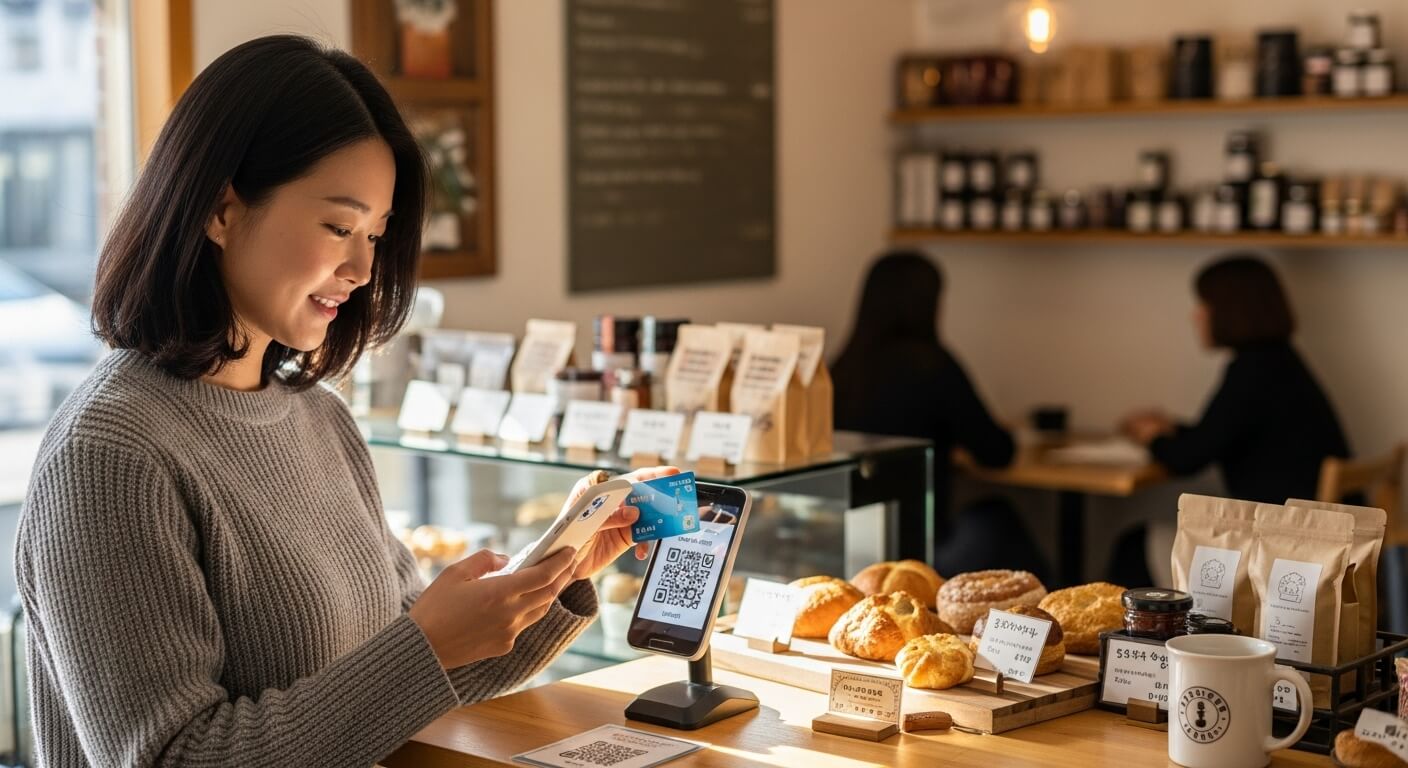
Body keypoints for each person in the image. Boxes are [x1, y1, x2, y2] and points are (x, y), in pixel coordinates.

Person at [16, 35, 674, 767]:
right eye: (338, 227)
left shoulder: (317, 414)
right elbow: (173, 756)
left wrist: (560, 562)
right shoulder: (109, 454)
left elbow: (405, 680)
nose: (363, 267)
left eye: (376, 235)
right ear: (221, 210)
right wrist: (427, 646)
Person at [832, 250, 1046, 578]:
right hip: (922, 553)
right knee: (997, 516)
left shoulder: (843, 369)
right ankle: (1054, 606)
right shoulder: (933, 365)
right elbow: (997, 453)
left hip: (854, 548)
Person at [1121, 254, 1352, 504]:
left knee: (1139, 532)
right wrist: (1171, 428)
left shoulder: (1253, 370)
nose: (1196, 316)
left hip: (1284, 526)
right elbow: (1221, 434)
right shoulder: (1278, 358)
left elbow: (1187, 460)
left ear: (1231, 310)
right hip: (1323, 521)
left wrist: (1151, 438)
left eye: (1204, 305)